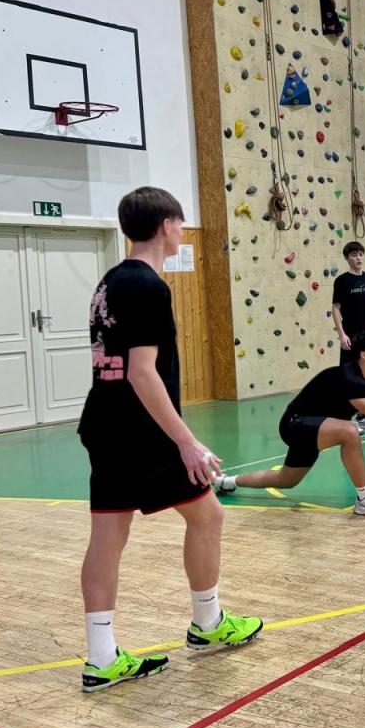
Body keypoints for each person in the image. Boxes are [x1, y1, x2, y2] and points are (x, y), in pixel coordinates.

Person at [78, 187, 262, 692]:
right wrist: (185, 440)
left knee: (107, 537)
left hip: (103, 423)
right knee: (208, 515)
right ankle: (208, 623)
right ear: (166, 225)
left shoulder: (110, 281)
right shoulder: (149, 287)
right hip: (143, 430)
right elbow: (142, 372)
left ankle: (101, 657)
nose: (182, 232)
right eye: (180, 223)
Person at [212, 329, 365, 511]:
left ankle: (227, 482)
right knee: (349, 431)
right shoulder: (351, 378)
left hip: (317, 427)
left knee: (286, 480)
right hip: (295, 424)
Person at [332, 240, 365, 432]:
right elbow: (336, 308)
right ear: (347, 258)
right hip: (349, 338)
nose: (358, 258)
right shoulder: (342, 281)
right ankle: (344, 420)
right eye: (354, 255)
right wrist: (342, 334)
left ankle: (362, 417)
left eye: (361, 254)